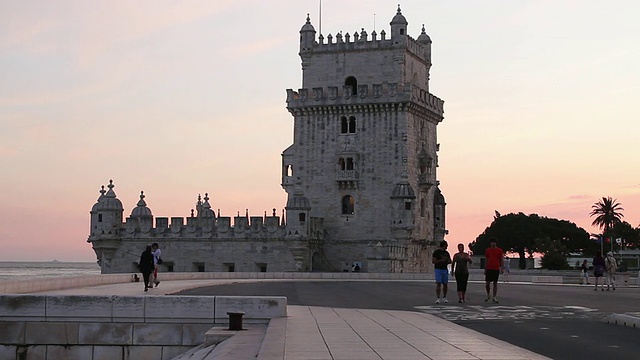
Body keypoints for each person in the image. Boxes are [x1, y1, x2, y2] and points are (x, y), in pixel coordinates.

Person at [484, 239, 504, 303]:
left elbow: (501, 259)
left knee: (495, 283)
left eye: (494, 242)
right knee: (487, 283)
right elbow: (486, 259)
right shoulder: (488, 250)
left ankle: (494, 297)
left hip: (496, 268)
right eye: (492, 242)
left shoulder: (499, 250)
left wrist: (502, 268)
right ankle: (488, 295)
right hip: (489, 268)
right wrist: (485, 268)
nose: (493, 244)